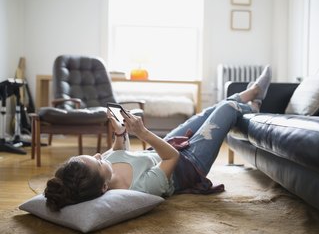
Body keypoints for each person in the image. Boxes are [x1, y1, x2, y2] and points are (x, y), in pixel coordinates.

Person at [44, 66, 272, 211]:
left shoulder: (100, 169)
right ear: (104, 188)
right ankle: (251, 104)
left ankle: (251, 95)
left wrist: (120, 131)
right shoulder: (140, 188)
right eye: (98, 161)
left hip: (161, 149)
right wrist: (142, 133)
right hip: (188, 163)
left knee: (206, 113)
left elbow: (118, 151)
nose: (98, 155)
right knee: (228, 108)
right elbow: (171, 158)